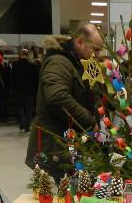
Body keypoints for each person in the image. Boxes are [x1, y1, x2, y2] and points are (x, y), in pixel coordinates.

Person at [25, 24, 103, 178]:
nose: (98, 54)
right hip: (56, 144)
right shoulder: (59, 62)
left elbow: (95, 94)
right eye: (95, 49)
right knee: (67, 188)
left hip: (73, 142)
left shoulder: (83, 63)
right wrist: (89, 122)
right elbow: (57, 97)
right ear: (79, 42)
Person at [12, 49, 39, 132]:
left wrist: (12, 89)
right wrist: (36, 91)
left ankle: (21, 123)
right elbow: (37, 80)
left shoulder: (15, 65)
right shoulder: (33, 66)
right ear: (28, 55)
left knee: (19, 107)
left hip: (18, 90)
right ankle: (27, 126)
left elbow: (12, 78)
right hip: (30, 91)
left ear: (20, 55)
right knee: (29, 109)